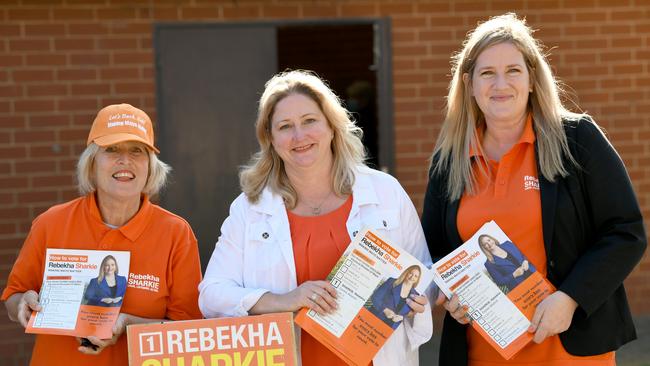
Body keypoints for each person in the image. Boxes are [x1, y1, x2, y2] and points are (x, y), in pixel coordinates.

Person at [421, 13, 646, 365]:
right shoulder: (449, 161)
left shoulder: (577, 139)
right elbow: (434, 250)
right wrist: (448, 292)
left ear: (530, 80)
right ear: (468, 83)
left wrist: (570, 298)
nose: (501, 84)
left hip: (568, 346)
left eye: (513, 71)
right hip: (482, 351)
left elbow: (625, 231)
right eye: (487, 73)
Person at [198, 70, 433, 366]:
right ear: (270, 138)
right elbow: (212, 295)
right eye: (285, 126)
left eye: (310, 121)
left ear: (332, 126)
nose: (299, 136)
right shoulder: (250, 209)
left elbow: (423, 271)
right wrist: (285, 301)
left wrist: (414, 300)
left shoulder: (385, 192)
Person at [2, 104, 203, 365]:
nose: (125, 160)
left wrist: (127, 324)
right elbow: (13, 295)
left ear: (151, 167)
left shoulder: (176, 233)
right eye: (111, 149)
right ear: (92, 162)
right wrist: (22, 304)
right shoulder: (50, 223)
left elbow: (187, 330)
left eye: (137, 151)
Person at [369, 265, 422, 329]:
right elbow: (375, 297)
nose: (412, 277)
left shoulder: (416, 296)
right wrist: (385, 310)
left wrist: (402, 318)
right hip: (374, 319)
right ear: (406, 273)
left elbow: (411, 316)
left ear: (417, 280)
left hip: (392, 328)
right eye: (411, 273)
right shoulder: (391, 282)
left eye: (416, 276)